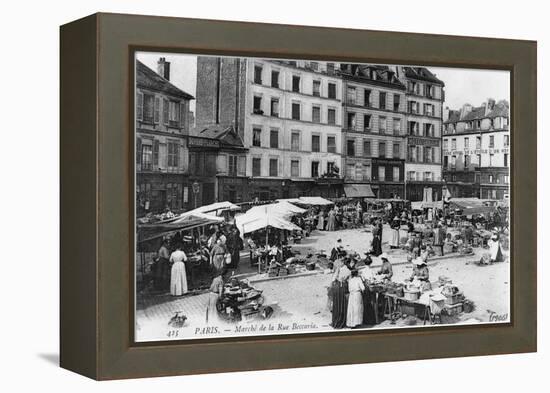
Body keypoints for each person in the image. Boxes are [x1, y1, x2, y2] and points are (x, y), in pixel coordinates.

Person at [330, 257, 352, 329]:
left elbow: (333, 279)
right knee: (342, 304)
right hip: (344, 288)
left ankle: (336, 321)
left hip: (337, 287)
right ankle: (342, 320)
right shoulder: (348, 271)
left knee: (336, 304)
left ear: (342, 263)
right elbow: (349, 281)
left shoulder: (339, 269)